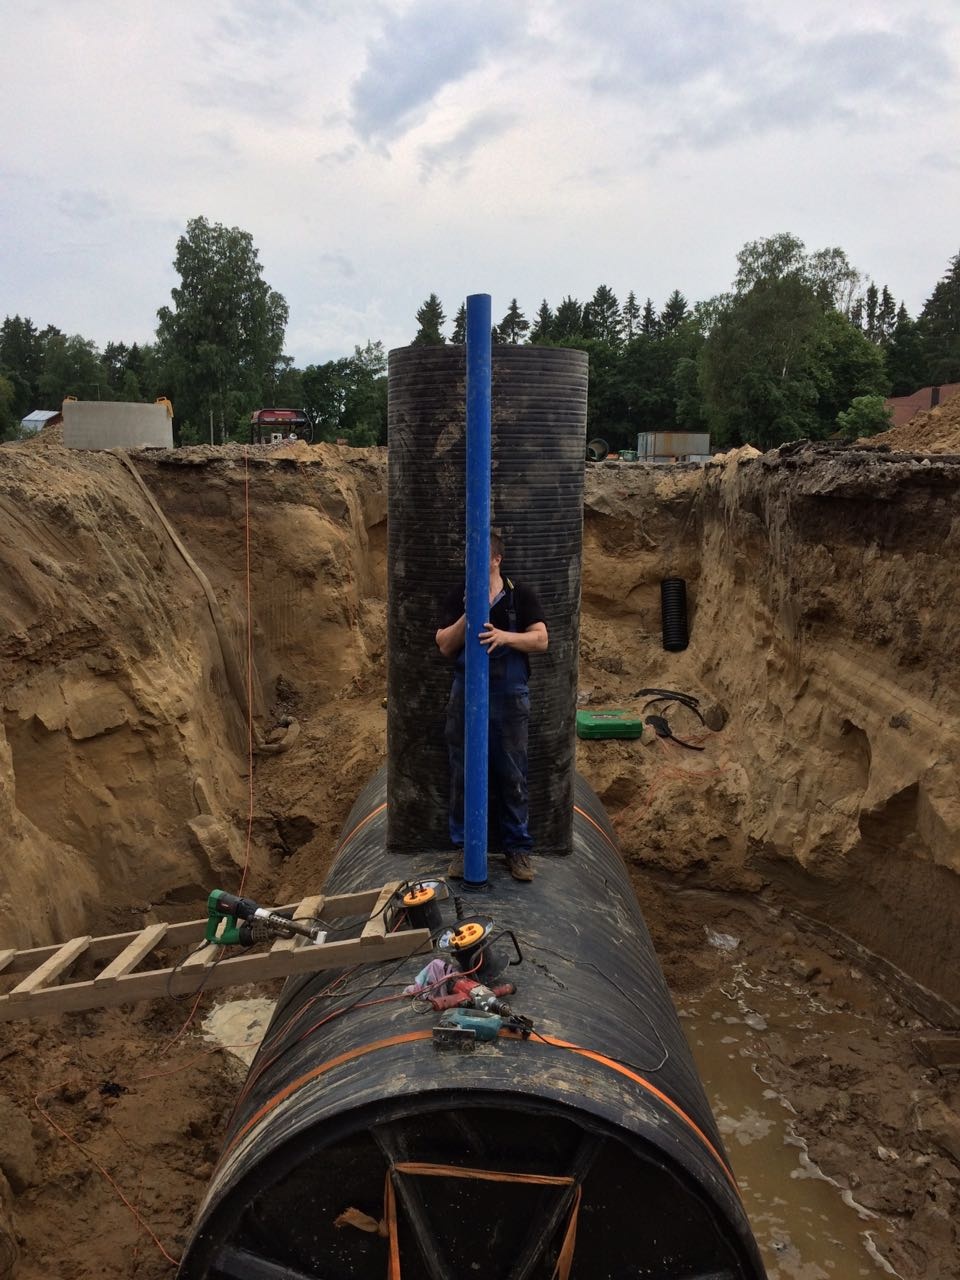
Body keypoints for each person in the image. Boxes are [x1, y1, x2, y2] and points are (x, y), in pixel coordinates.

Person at [435, 532, 548, 882]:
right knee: (463, 772)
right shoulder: (459, 594)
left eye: (480, 554)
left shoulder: (519, 595)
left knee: (513, 774)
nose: (472, 561)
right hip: (465, 695)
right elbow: (444, 645)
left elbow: (541, 639)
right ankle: (465, 848)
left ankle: (518, 850)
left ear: (497, 559)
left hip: (509, 696)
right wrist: (468, 615)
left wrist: (504, 636)